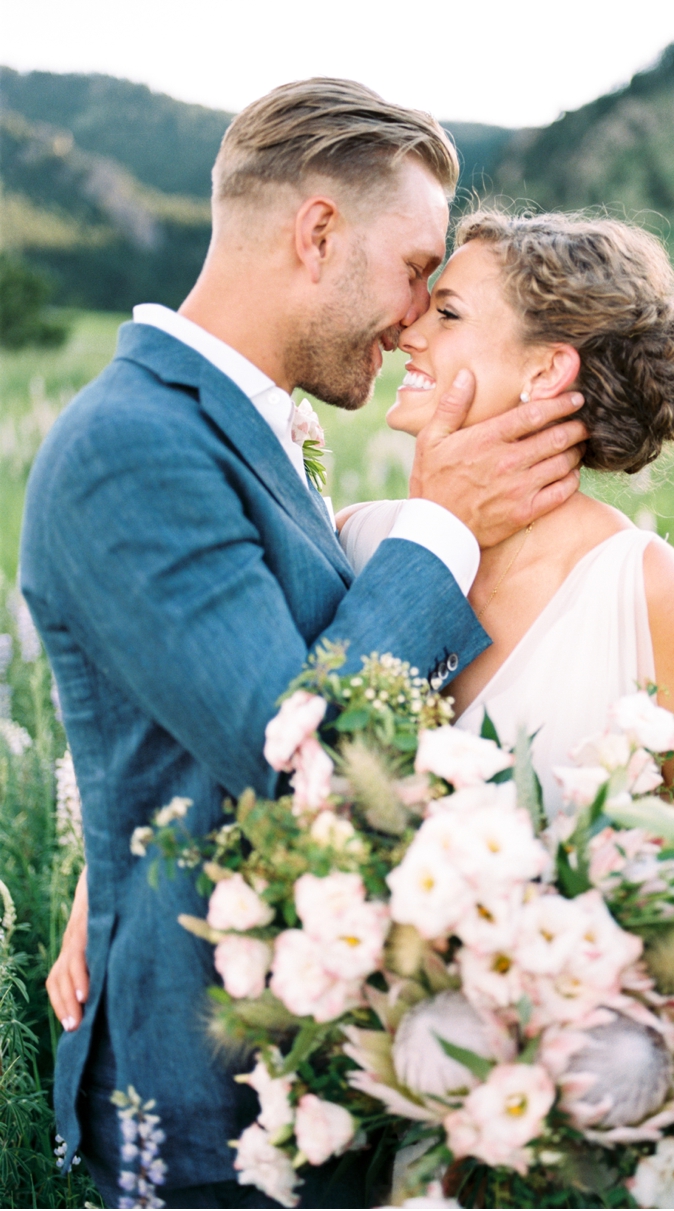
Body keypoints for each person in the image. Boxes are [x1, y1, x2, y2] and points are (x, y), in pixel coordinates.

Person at [26, 82, 587, 1209]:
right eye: (416, 266)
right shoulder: (129, 445)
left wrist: (133, 833)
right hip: (205, 1108)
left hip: (324, 1071)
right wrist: (444, 525)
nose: (418, 312)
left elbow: (216, 714)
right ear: (318, 233)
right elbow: (302, 758)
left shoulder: (253, 427)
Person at [339, 210, 674, 816]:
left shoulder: (650, 596)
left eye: (448, 313)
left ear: (546, 370)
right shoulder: (355, 539)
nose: (409, 332)